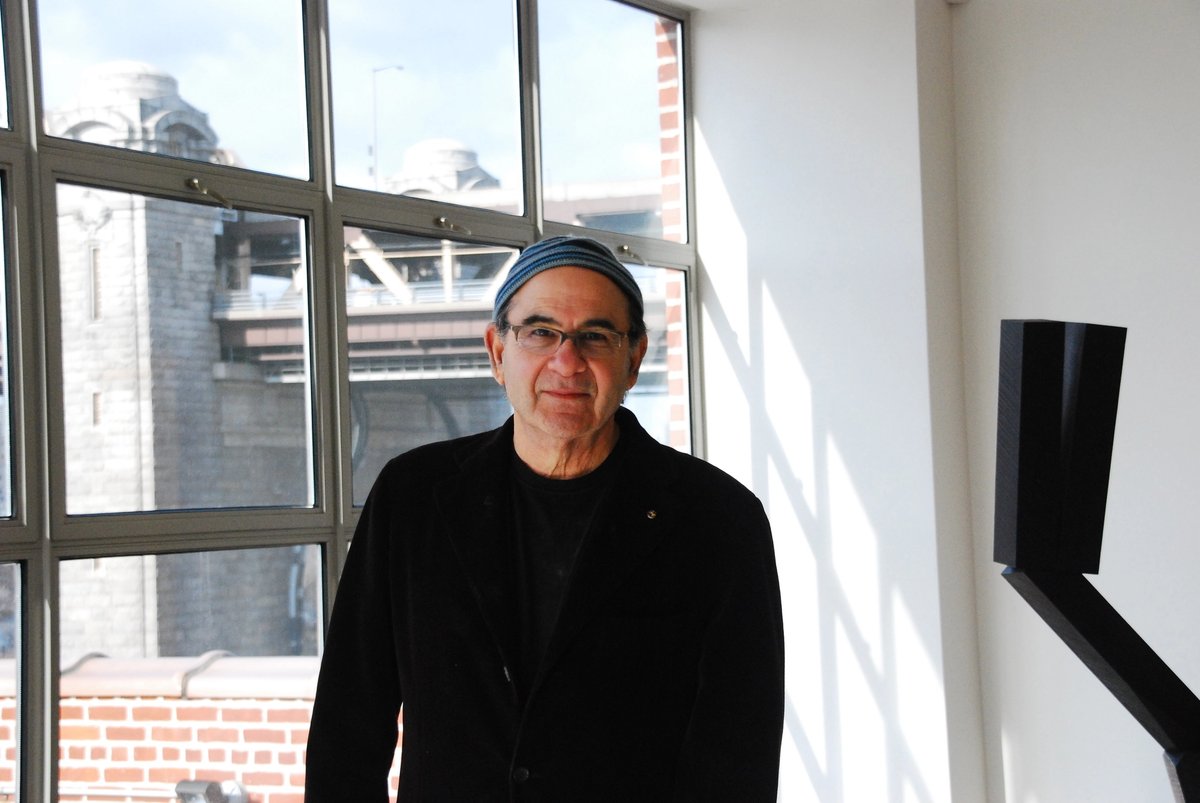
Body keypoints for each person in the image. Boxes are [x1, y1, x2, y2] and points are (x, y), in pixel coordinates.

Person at [304, 235, 785, 801]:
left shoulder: (718, 520)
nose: (567, 361)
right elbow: (349, 723)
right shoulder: (413, 498)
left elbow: (736, 754)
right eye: (540, 332)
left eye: (596, 336)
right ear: (496, 352)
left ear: (633, 359)